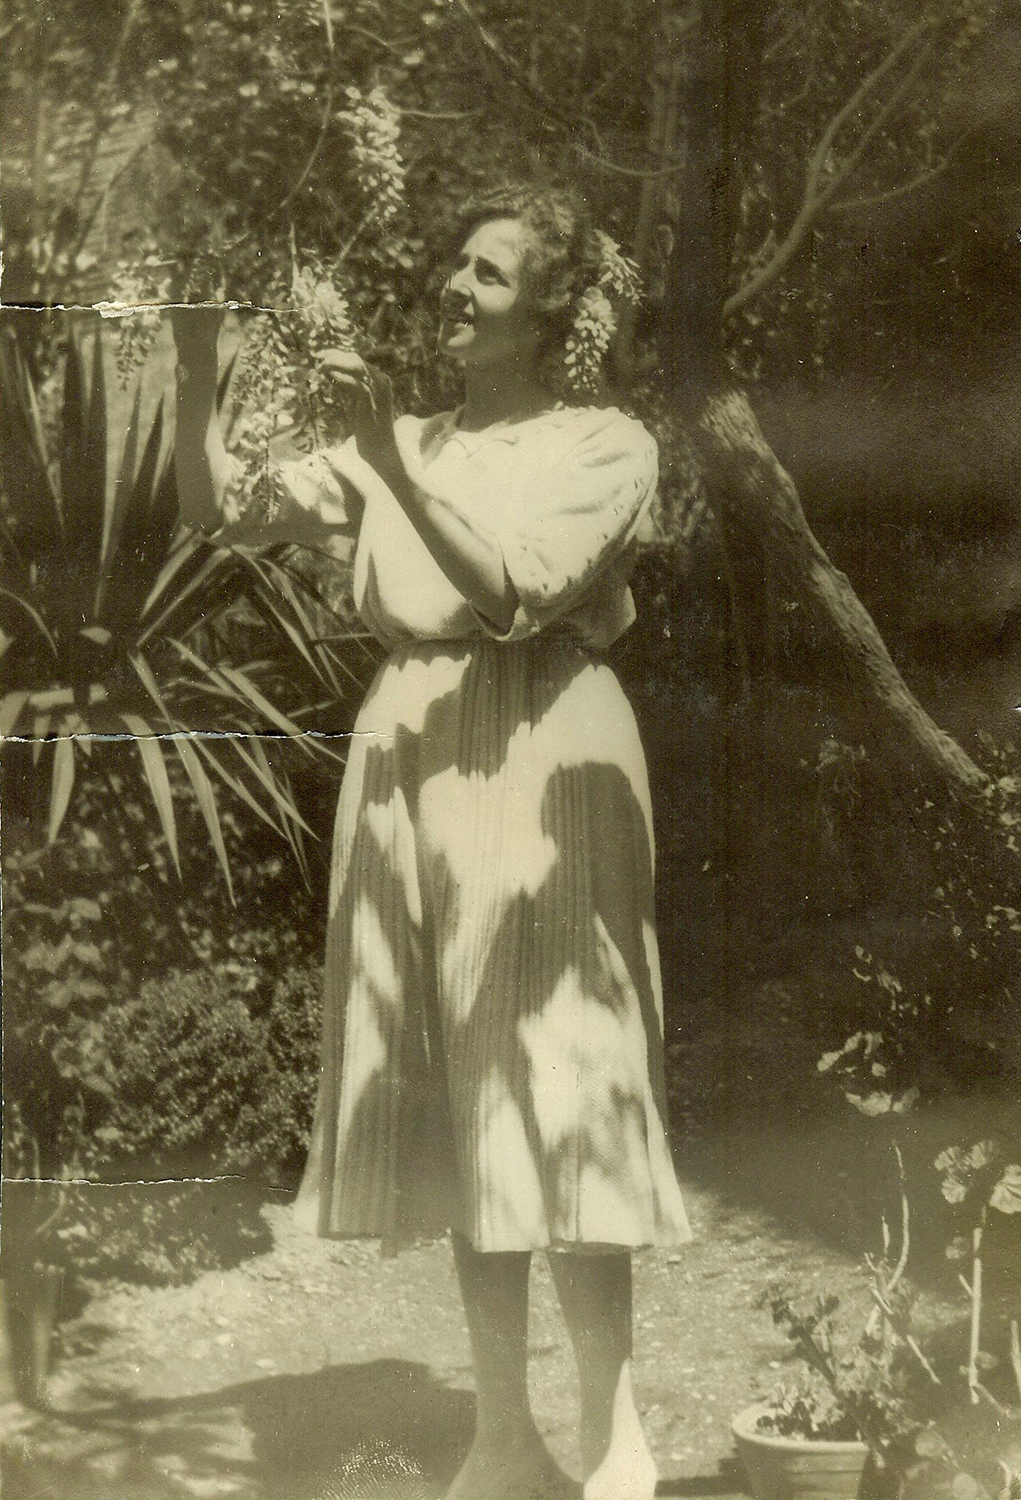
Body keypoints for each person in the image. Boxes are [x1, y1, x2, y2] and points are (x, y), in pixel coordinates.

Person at [172, 183, 691, 1500]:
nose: (454, 289)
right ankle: (504, 1433)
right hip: (409, 759)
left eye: (490, 274)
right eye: (455, 266)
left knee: (558, 1081)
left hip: (543, 756)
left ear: (557, 313)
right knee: (467, 1101)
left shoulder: (605, 446)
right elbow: (223, 514)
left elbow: (514, 595)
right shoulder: (408, 438)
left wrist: (388, 464)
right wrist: (193, 367)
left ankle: (615, 1426)